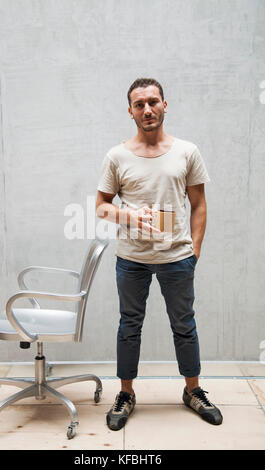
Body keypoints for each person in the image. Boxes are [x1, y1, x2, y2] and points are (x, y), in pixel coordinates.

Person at [96, 77, 223, 430]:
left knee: (184, 326)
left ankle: (193, 391)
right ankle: (125, 394)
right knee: (129, 327)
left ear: (165, 105)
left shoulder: (187, 152)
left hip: (176, 259)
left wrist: (193, 251)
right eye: (139, 104)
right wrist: (129, 215)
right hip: (132, 259)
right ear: (130, 111)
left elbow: (199, 205)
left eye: (153, 102)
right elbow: (101, 208)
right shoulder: (116, 156)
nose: (147, 109)